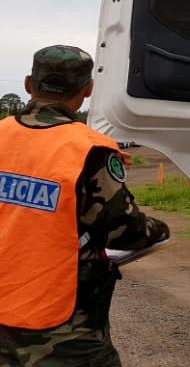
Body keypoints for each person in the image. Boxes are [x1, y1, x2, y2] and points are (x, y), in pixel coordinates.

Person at [0, 45, 170, 366]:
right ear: (88, 89)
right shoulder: (91, 149)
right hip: (58, 330)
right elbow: (126, 233)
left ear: (27, 84)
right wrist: (159, 231)